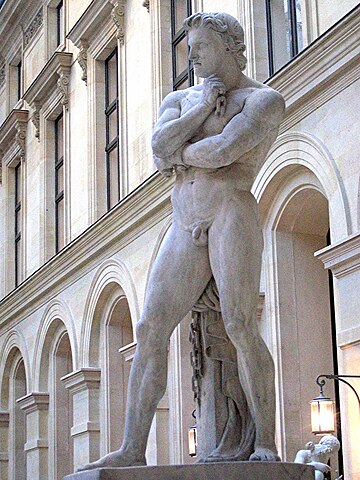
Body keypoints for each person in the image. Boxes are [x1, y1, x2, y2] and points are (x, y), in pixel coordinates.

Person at [78, 11, 285, 471]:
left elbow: (226, 150)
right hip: (184, 219)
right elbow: (157, 148)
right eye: (188, 48)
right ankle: (133, 447)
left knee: (239, 323)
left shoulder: (263, 100)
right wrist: (196, 114)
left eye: (201, 47)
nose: (191, 56)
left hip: (231, 210)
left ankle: (266, 441)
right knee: (151, 327)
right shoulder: (180, 99)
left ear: (232, 45)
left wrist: (182, 154)